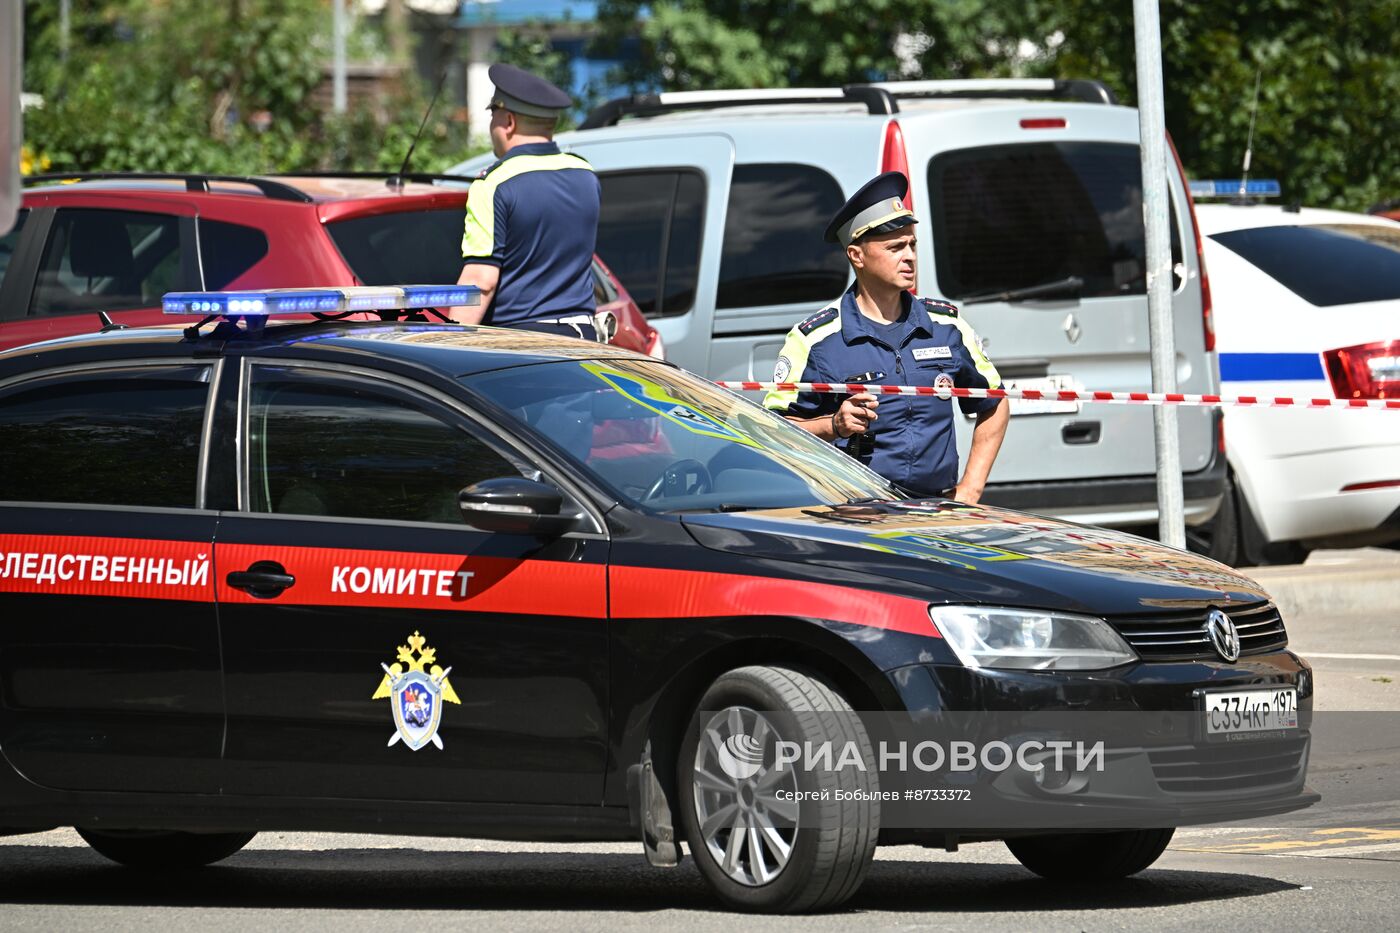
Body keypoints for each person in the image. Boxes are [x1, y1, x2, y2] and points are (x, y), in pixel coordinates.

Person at [765, 171, 1009, 504]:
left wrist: (970, 489)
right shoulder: (815, 339)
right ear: (857, 256)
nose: (909, 256)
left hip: (937, 513)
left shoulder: (945, 325)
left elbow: (994, 402)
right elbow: (773, 433)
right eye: (895, 247)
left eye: (912, 244)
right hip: (854, 514)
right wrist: (833, 425)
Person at [449, 63, 601, 339]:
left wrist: (445, 346)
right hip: (584, 338)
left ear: (508, 122)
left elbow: (481, 281)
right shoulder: (585, 174)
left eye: (493, 113)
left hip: (523, 345)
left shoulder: (493, 184)